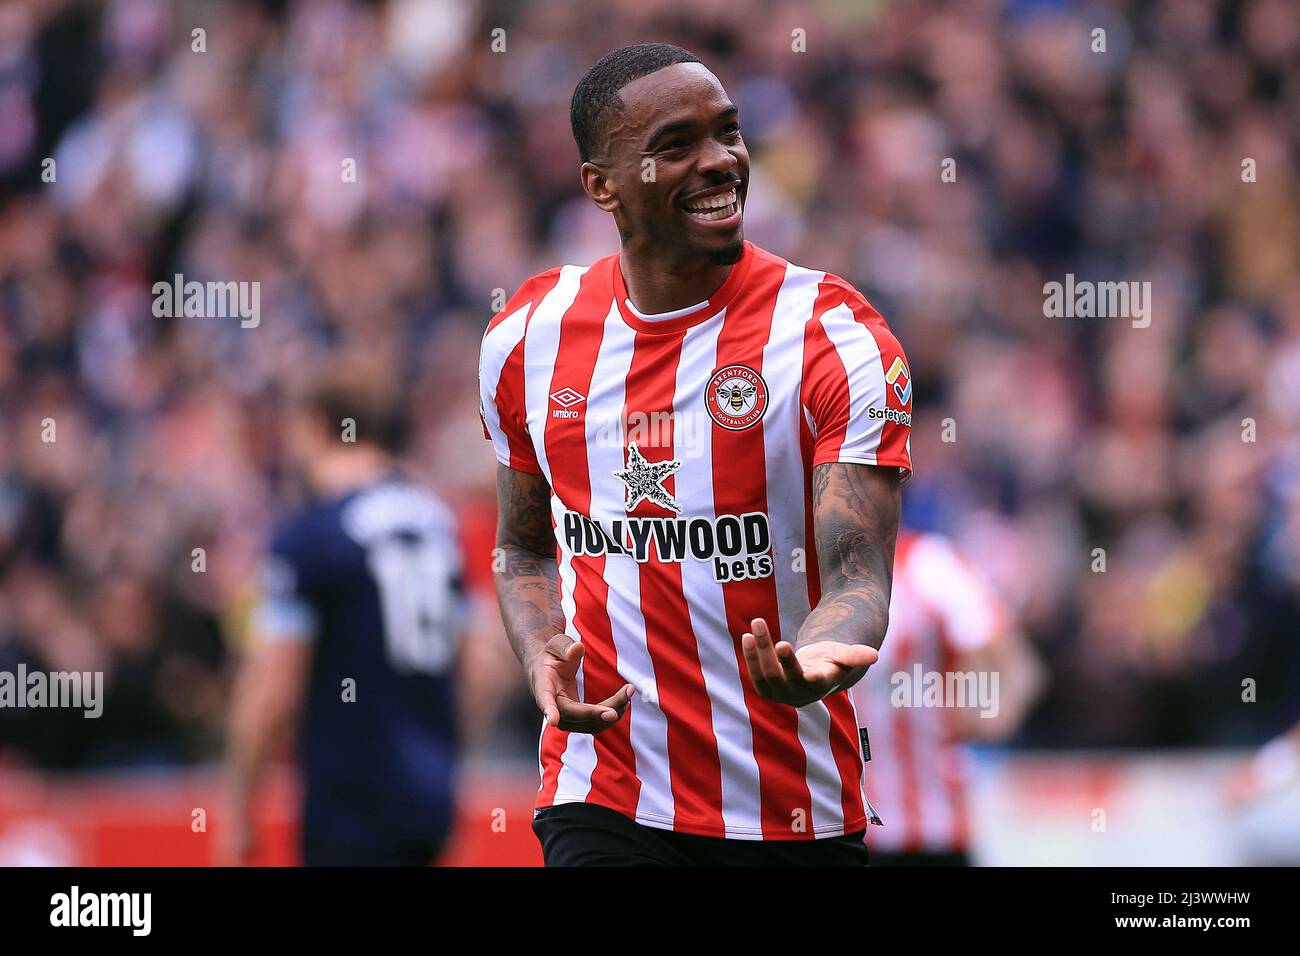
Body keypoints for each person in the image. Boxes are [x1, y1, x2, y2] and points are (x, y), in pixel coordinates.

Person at [479, 44, 913, 865]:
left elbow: (859, 576)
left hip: (793, 812)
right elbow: (524, 543)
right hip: (602, 795)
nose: (721, 162)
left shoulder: (834, 337)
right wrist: (541, 656)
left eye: (729, 133)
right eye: (677, 145)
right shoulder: (526, 339)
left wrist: (819, 654)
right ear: (601, 185)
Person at [226, 362, 466, 865]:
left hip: (349, 808)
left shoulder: (313, 536)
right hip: (429, 800)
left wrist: (240, 812)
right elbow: (475, 664)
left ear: (315, 425)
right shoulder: (438, 528)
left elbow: (273, 691)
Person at [852, 529, 1043, 866]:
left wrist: (975, 720)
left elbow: (1020, 673)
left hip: (932, 835)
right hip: (850, 831)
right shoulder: (814, 565)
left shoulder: (933, 567)